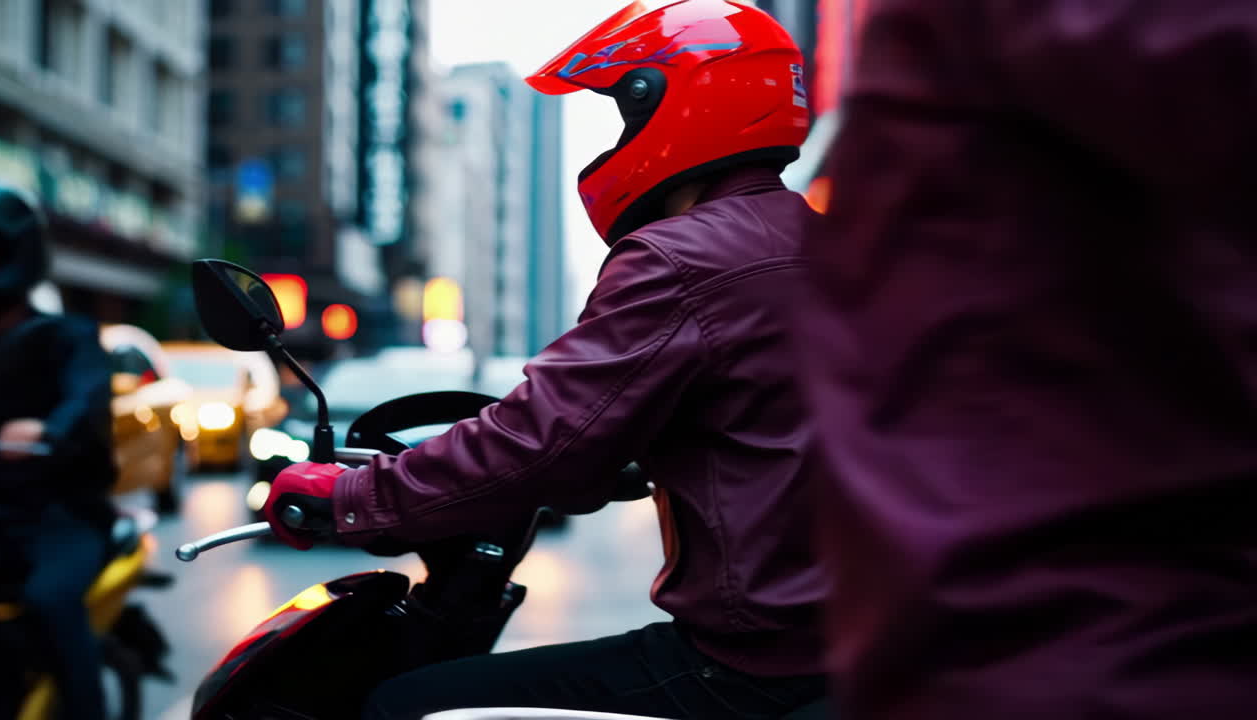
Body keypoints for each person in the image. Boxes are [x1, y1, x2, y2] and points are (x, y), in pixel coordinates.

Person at [263, 2, 830, 718]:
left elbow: (540, 438)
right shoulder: (825, 246)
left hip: (752, 666)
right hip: (844, 640)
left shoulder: (681, 258)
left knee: (407, 705)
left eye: (622, 110)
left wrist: (347, 500)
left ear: (674, 103)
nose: (618, 139)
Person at [794, 1, 1257, 718]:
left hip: (1078, 637)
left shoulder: (675, 259)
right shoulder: (772, 228)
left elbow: (564, 434)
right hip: (1088, 626)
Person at [0, 181, 114, 720]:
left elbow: (86, 398)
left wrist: (46, 433)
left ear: (14, 259)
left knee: (51, 600)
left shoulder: (68, 336)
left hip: (63, 515)